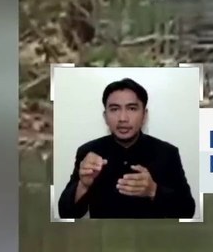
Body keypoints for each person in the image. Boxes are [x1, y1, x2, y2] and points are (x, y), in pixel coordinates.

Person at [56, 78, 196, 220]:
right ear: (105, 116)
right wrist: (83, 185)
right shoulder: (89, 152)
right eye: (114, 109)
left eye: (132, 108)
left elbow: (187, 211)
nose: (123, 118)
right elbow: (65, 213)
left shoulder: (167, 153)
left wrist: (153, 190)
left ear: (144, 115)